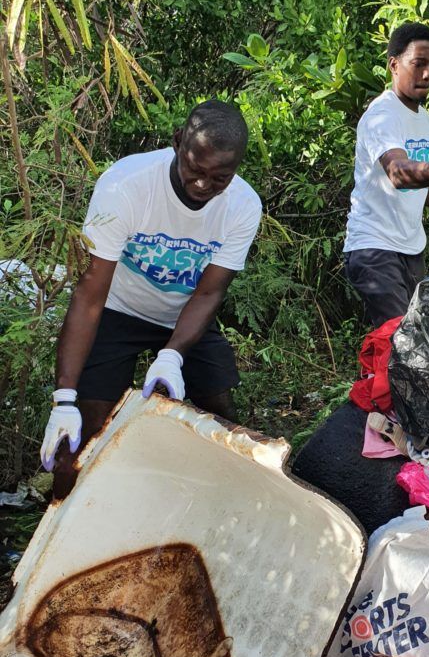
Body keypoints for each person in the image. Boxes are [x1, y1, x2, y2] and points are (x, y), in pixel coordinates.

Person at [40, 99, 262, 495]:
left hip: (185, 315)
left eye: (219, 178)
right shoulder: (125, 185)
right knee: (85, 426)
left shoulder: (243, 206)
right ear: (178, 143)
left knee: (221, 411)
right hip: (119, 308)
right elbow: (90, 296)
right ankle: (60, 525)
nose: (202, 185)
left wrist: (173, 354)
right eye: (195, 168)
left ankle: (221, 500)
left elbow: (210, 290)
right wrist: (64, 399)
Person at [343, 22, 429, 326]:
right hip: (373, 248)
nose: (428, 74)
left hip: (411, 249)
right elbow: (400, 174)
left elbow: (419, 189)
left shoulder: (427, 124)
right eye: (419, 64)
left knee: (411, 341)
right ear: (394, 65)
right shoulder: (381, 116)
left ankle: (374, 376)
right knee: (405, 340)